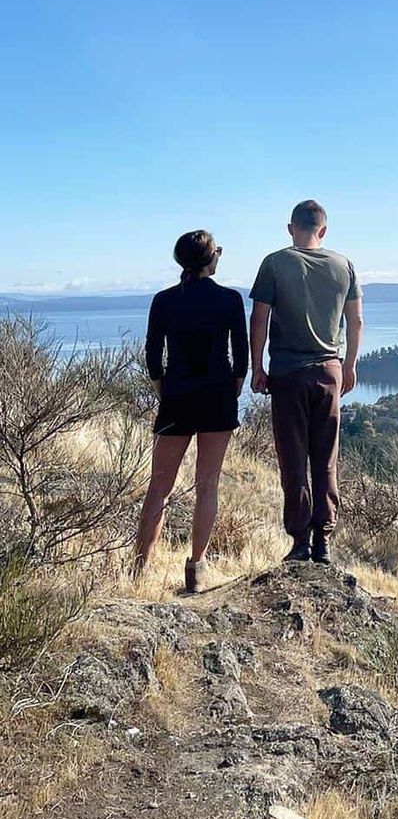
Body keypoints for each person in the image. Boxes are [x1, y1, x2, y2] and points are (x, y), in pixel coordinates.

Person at [134, 230, 249, 593]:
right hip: (217, 396)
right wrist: (230, 392)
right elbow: (241, 357)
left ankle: (139, 570)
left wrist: (165, 392)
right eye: (218, 252)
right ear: (210, 258)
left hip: (178, 397)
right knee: (207, 484)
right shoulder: (230, 300)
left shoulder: (164, 300)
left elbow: (154, 356)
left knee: (159, 487)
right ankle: (196, 568)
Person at [249, 199, 363, 564]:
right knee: (326, 458)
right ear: (323, 230)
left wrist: (256, 366)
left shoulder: (275, 263)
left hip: (287, 372)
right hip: (329, 370)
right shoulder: (344, 265)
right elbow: (356, 322)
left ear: (290, 228)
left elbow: (259, 319)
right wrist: (350, 366)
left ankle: (300, 542)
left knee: (293, 458)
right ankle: (324, 541)